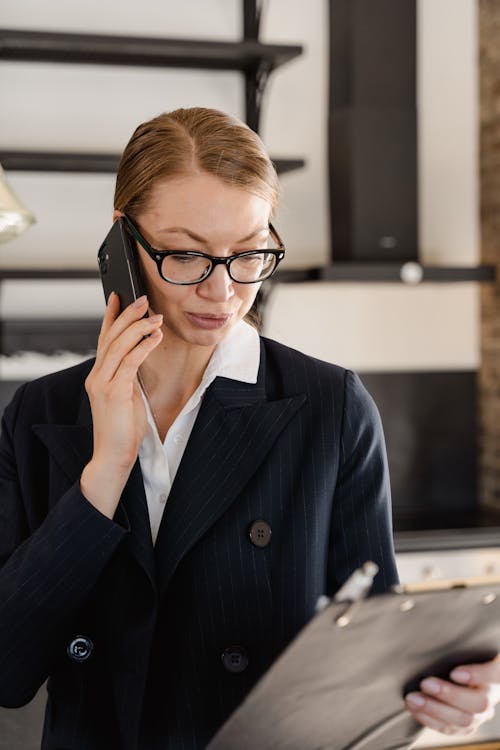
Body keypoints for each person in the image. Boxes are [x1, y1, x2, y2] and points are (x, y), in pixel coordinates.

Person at [0, 107, 498, 749]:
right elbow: (7, 672)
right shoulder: (41, 414)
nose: (224, 291)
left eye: (249, 253)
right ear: (122, 244)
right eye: (186, 255)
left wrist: (440, 698)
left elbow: (374, 660)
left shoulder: (331, 407)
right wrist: (105, 473)